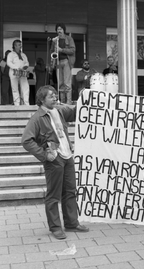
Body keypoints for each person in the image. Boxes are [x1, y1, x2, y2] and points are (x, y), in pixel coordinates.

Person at [21, 85, 89, 240]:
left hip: (67, 156)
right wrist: (44, 155)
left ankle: (71, 223)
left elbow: (76, 112)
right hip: (54, 160)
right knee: (53, 195)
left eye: (56, 95)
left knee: (70, 191)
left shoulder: (59, 111)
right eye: (51, 96)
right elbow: (26, 141)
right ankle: (56, 227)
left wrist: (83, 97)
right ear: (42, 99)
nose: (55, 98)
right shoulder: (37, 118)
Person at [50, 23, 76, 105]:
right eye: (58, 29)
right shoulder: (55, 40)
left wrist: (61, 50)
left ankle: (68, 102)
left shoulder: (69, 38)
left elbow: (72, 50)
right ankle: (62, 101)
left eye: (60, 29)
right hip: (58, 62)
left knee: (67, 82)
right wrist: (53, 45)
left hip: (66, 61)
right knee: (60, 83)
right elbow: (52, 51)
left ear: (64, 30)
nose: (59, 30)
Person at [7, 39, 30, 106]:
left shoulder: (23, 54)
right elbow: (9, 63)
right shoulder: (11, 54)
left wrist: (25, 67)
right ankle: (17, 104)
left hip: (22, 73)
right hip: (14, 72)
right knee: (15, 88)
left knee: (25, 87)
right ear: (15, 46)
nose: (20, 46)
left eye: (20, 45)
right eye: (19, 45)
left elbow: (27, 63)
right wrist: (16, 68)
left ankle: (26, 103)